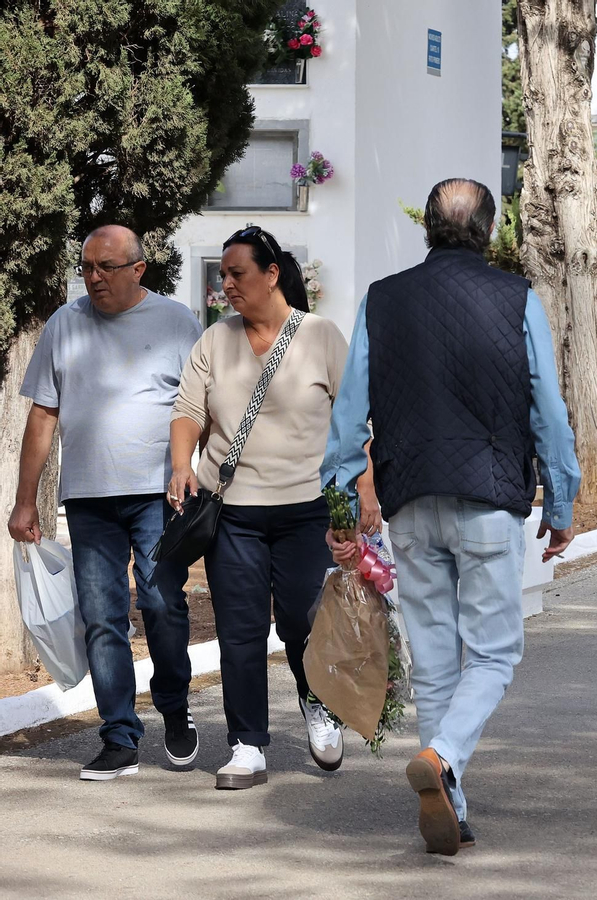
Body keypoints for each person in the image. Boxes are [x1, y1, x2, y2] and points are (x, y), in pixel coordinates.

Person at [322, 178, 581, 855]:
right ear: (489, 232)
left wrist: (341, 507)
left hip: (410, 501)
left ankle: (452, 804)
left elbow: (348, 419)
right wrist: (560, 500)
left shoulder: (383, 299)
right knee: (494, 655)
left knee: (435, 662)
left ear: (428, 228)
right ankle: (442, 760)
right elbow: (547, 411)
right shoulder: (516, 299)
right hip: (490, 501)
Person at [9, 225, 202, 781]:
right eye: (87, 266)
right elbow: (43, 416)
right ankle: (119, 737)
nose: (93, 278)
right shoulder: (64, 324)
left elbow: (200, 407)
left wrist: (193, 474)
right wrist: (26, 502)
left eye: (106, 267)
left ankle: (175, 708)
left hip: (157, 493)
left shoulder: (177, 322)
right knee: (102, 618)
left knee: (163, 604)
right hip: (89, 499)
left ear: (138, 269)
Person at [168, 225, 355, 790]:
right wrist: (181, 462)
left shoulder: (321, 336)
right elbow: (187, 410)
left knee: (302, 620)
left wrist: (360, 495)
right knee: (240, 631)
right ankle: (247, 744)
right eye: (222, 276)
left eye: (237, 274)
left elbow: (352, 422)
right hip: (232, 512)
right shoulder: (214, 341)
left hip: (305, 508)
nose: (226, 285)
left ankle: (318, 702)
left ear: (272, 274)